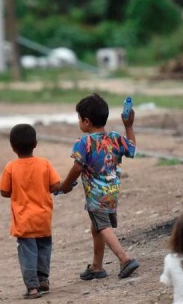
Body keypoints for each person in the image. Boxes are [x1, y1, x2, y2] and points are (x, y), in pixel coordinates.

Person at [60, 93, 139, 280]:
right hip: (112, 193)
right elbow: (132, 150)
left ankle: (124, 259)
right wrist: (128, 126)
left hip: (96, 196)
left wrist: (65, 185)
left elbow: (77, 167)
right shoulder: (115, 138)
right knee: (96, 227)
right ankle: (96, 267)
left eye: (79, 118)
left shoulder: (84, 143)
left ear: (86, 121)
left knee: (102, 227)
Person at [0, 124, 62, 299]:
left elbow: (4, 191)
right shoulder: (44, 163)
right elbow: (56, 185)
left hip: (24, 219)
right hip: (43, 218)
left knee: (28, 252)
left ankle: (32, 288)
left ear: (12, 147)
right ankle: (43, 279)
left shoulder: (11, 167)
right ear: (35, 143)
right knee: (44, 249)